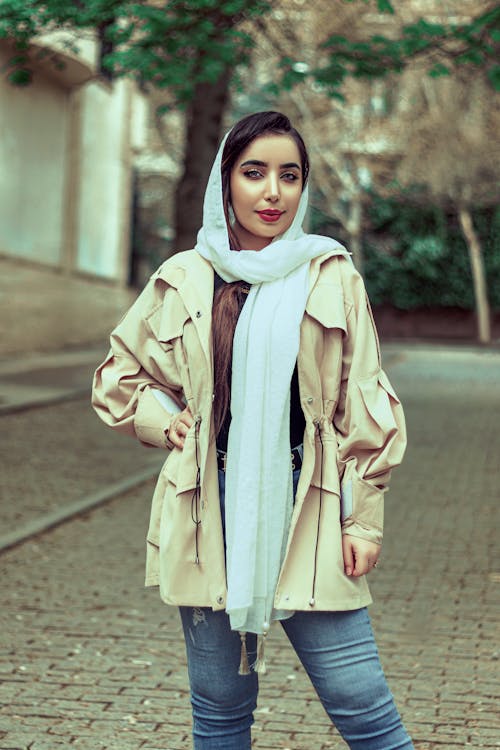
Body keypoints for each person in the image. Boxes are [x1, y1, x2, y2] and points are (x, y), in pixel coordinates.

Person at [92, 111, 414, 749]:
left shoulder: (331, 273)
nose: (273, 192)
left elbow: (366, 402)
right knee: (219, 708)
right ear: (225, 182)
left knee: (363, 706)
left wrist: (364, 520)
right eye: (255, 173)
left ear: (303, 188)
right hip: (207, 500)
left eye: (289, 176)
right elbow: (118, 375)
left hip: (312, 498)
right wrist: (167, 422)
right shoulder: (187, 276)